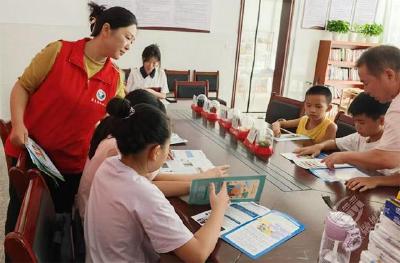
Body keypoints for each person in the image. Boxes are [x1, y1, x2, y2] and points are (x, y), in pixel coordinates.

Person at [3, 2, 138, 234]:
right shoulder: (59, 52)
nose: (129, 46)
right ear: (106, 29)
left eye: (132, 42)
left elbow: (115, 123)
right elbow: (22, 87)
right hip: (32, 154)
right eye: (127, 37)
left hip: (71, 168)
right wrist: (18, 124)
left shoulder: (115, 78)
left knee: (56, 231)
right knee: (21, 226)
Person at [84, 103, 229, 262]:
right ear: (156, 151)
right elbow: (197, 255)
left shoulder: (109, 165)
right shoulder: (143, 192)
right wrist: (219, 208)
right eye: (168, 147)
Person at [76, 90, 229, 218]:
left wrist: (199, 178)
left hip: (98, 215)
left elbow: (149, 178)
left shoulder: (118, 135)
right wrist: (194, 186)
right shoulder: (116, 147)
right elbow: (147, 186)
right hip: (93, 217)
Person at [295, 92, 400, 191]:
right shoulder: (360, 137)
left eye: (361, 122)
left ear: (382, 121)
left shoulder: (393, 144)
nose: (356, 126)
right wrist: (319, 146)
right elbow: (335, 142)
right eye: (355, 121)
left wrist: (376, 180)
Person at [322, 45, 400, 171]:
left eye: (366, 83)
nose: (366, 90)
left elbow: (388, 158)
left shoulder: (397, 108)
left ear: (389, 75)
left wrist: (346, 156)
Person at [272, 85, 337, 143]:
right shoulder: (303, 119)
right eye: (308, 105)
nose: (312, 110)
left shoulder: (330, 127)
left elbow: (324, 149)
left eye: (318, 106)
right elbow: (282, 123)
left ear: (328, 108)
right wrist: (276, 125)